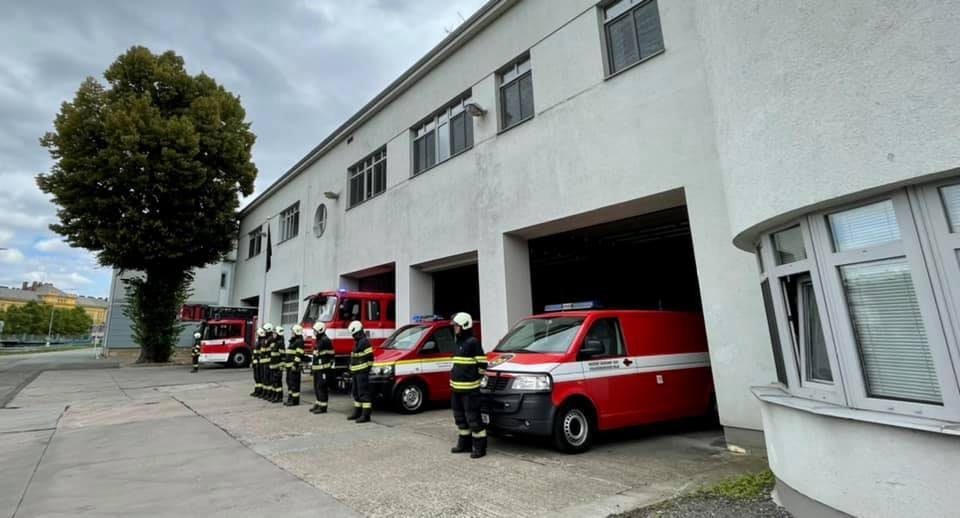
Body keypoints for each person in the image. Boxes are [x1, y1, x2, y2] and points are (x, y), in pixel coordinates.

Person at [449, 312, 488, 459]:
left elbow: (483, 364)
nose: (455, 328)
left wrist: (474, 378)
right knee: (459, 418)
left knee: (473, 418)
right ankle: (464, 445)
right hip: (456, 389)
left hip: (470, 390)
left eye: (457, 326)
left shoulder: (473, 342)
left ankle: (480, 447)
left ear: (464, 326)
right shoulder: (458, 342)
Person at [347, 320, 373, 423]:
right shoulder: (358, 341)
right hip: (356, 373)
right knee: (356, 393)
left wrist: (366, 369)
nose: (352, 336)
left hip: (362, 373)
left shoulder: (364, 342)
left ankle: (366, 416)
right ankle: (357, 413)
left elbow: (370, 358)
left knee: (363, 394)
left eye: (353, 333)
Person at [310, 322, 334, 414]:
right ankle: (318, 403)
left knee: (321, 387)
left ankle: (323, 407)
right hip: (317, 369)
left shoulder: (325, 340)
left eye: (315, 331)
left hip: (323, 369)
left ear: (320, 330)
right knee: (316, 387)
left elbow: (331, 354)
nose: (314, 332)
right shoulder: (319, 339)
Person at [284, 325, 305, 406]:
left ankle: (295, 401)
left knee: (294, 384)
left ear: (297, 332)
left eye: (293, 332)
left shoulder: (299, 341)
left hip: (294, 367)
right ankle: (290, 399)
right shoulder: (293, 341)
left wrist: (295, 365)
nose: (291, 333)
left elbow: (298, 355)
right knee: (289, 383)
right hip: (289, 366)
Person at [270, 326, 285, 403]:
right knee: (273, 382)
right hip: (273, 366)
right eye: (273, 333)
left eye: (275, 333)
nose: (273, 334)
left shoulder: (280, 343)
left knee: (278, 382)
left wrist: (281, 368)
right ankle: (274, 395)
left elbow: (283, 357)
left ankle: (279, 397)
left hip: (278, 367)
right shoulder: (274, 342)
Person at [251, 327, 265, 398]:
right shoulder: (259, 341)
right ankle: (257, 390)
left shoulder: (262, 342)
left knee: (259, 377)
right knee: (256, 377)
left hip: (259, 363)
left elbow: (261, 354)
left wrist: (257, 360)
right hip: (256, 362)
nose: (256, 335)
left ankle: (260, 391)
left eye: (257, 334)